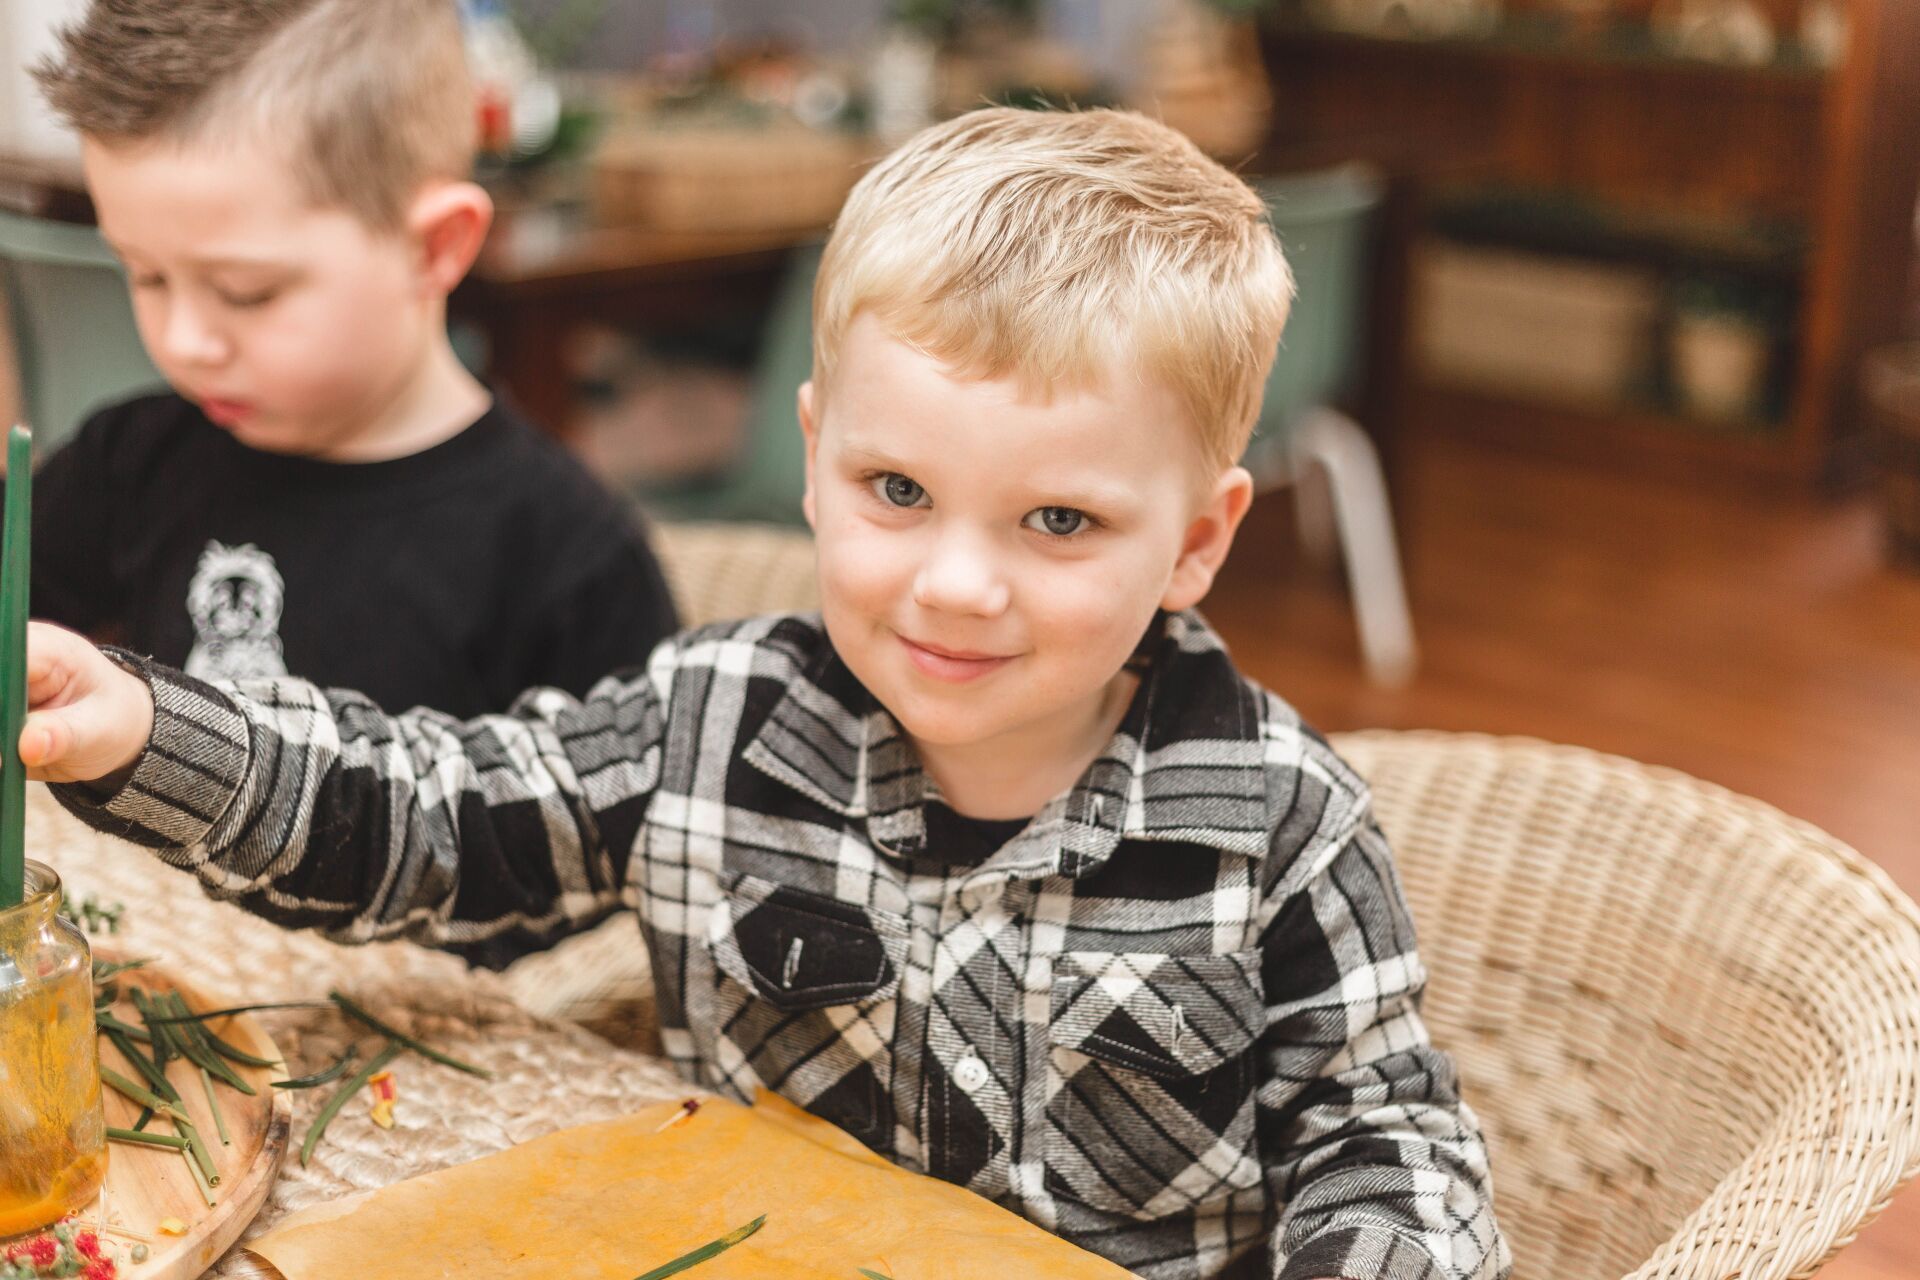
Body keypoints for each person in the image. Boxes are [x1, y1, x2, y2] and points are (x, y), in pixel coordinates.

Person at [24, 107, 1511, 1280]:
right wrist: (149, 728)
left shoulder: (1280, 821)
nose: (956, 585)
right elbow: (428, 813)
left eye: (1059, 522)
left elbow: (1382, 1141)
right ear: (814, 456)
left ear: (1196, 541)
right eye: (898, 490)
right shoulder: (707, 719)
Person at [24, 0, 678, 725]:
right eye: (145, 275)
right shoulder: (128, 467)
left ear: (434, 248)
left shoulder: (565, 558)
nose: (183, 340)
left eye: (248, 293)